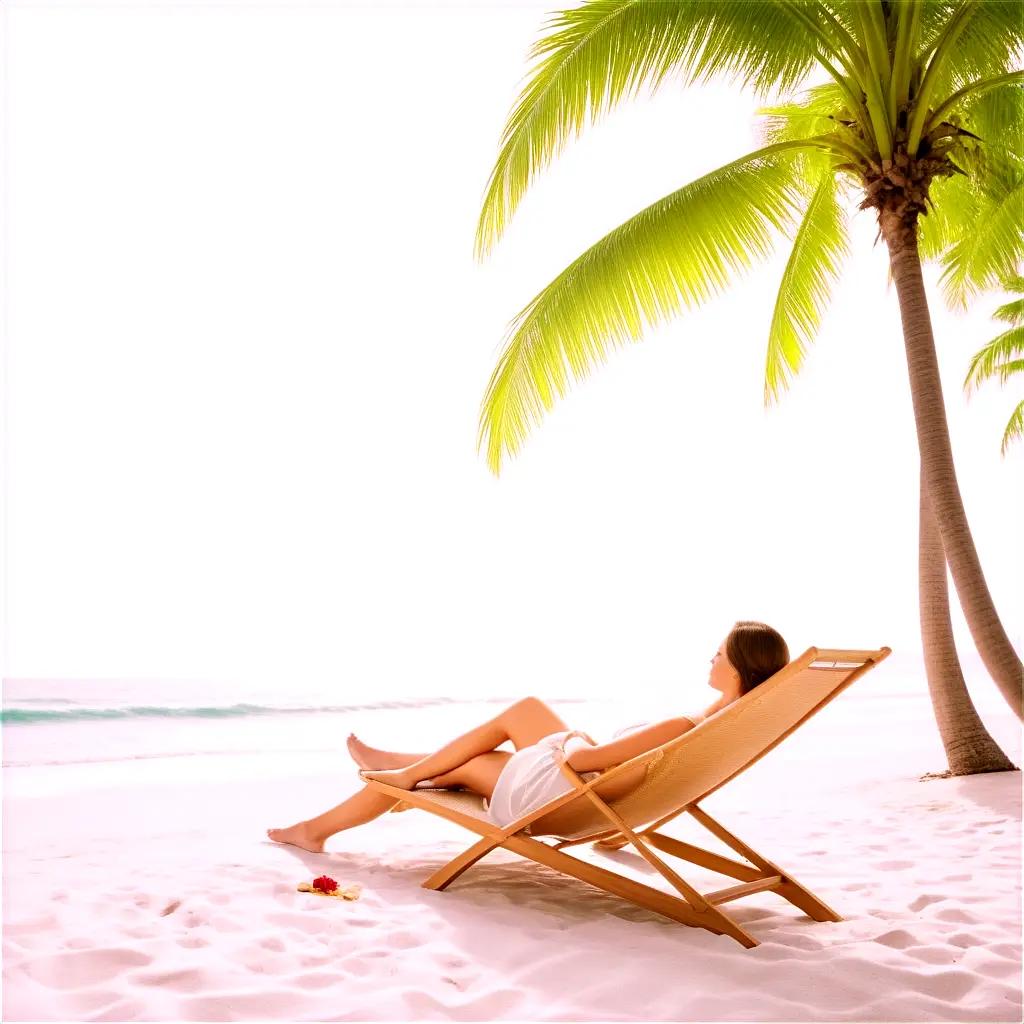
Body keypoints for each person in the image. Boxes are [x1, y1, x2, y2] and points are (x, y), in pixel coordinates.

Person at [266, 621, 789, 853]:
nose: (712, 657)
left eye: (720, 653)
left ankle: (327, 822)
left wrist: (571, 742)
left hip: (560, 795)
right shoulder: (722, 724)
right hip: (589, 794)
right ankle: (402, 765)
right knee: (527, 713)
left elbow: (589, 763)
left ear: (740, 665)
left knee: (477, 756)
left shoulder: (685, 725)